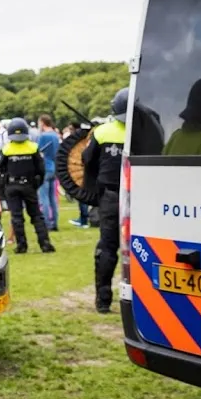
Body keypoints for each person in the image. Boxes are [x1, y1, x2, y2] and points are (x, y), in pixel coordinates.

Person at [82, 87, 128, 314]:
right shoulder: (147, 131)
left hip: (110, 197)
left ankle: (103, 300)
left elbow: (86, 160)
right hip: (139, 198)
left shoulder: (102, 132)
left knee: (108, 248)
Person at [0, 118, 56, 255]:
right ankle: (45, 244)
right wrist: (36, 184)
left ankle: (21, 246)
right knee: (36, 215)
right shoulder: (33, 147)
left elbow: (0, 168)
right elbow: (40, 169)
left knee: (17, 217)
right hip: (29, 186)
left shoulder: (6, 149)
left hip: (12, 186)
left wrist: (6, 182)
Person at [35, 114, 61, 231]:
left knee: (44, 197)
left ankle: (46, 222)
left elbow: (38, 152)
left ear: (42, 123)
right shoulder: (55, 135)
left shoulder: (43, 136)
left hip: (45, 167)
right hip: (54, 167)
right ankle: (54, 222)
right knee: (53, 198)